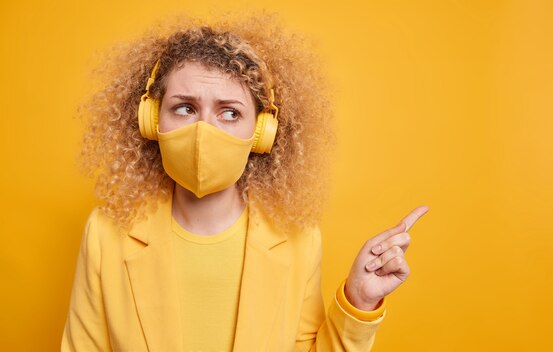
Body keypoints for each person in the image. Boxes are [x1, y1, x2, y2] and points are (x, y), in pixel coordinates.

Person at [62, 16, 429, 351]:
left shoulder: (299, 239)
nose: (204, 130)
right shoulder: (105, 233)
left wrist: (358, 301)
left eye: (230, 112)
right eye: (185, 108)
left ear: (262, 133)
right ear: (151, 120)